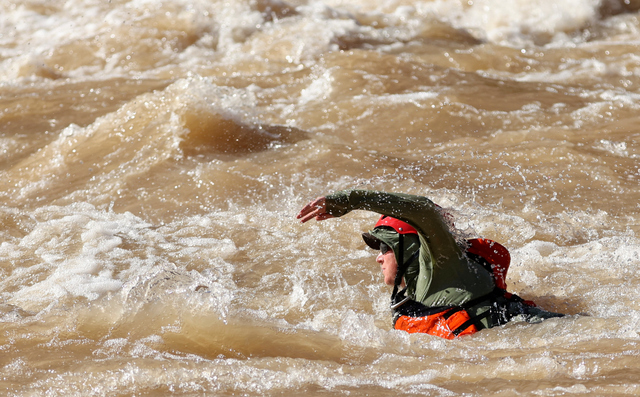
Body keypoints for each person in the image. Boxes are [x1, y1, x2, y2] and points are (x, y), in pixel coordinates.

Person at [297, 190, 563, 339]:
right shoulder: (412, 294)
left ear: (411, 248)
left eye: (384, 247)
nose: (378, 257)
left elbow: (423, 210)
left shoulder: (442, 266)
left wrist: (351, 202)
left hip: (549, 332)